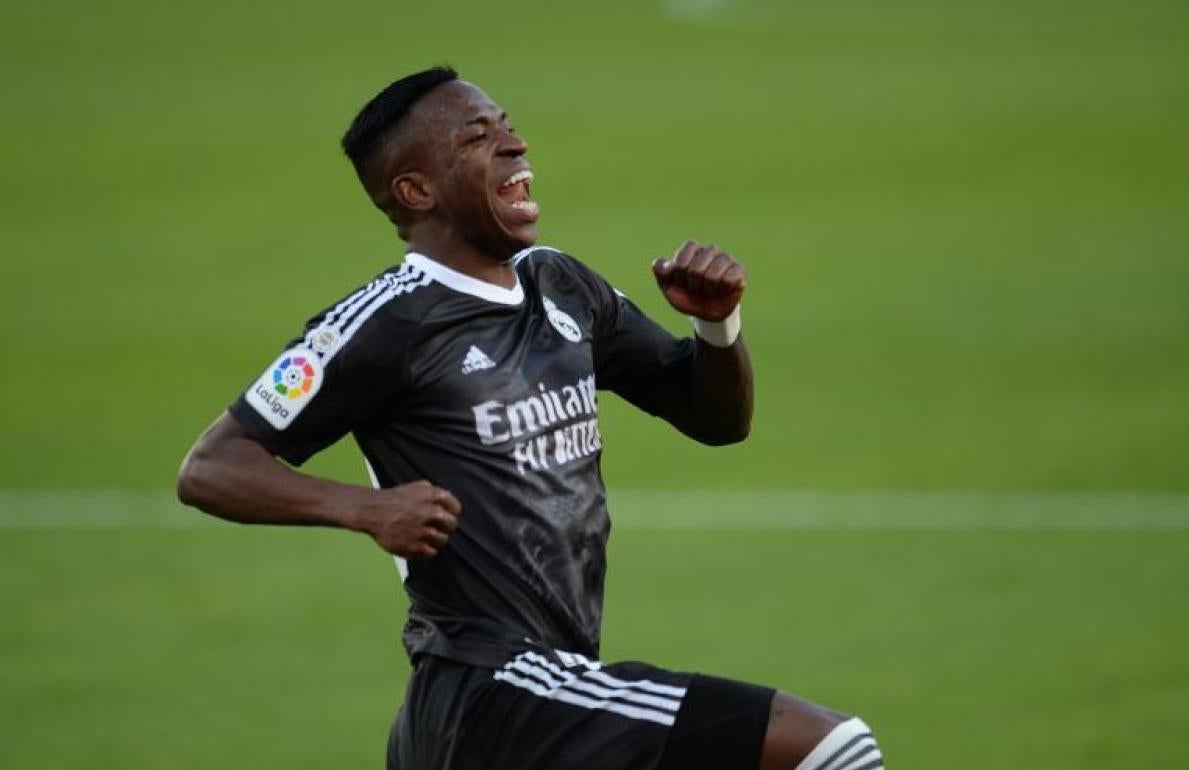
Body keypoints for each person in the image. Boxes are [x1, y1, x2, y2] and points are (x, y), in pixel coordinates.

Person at [177, 66, 884, 770]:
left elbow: (714, 418)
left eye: (508, 127)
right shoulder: (388, 322)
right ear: (417, 191)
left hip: (539, 694)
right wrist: (367, 509)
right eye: (477, 138)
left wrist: (717, 327)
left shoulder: (560, 285)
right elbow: (212, 465)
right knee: (834, 747)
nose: (515, 146)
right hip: (489, 693)